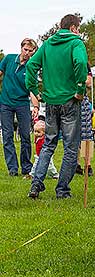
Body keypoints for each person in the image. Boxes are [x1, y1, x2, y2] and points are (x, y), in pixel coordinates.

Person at [26, 14, 88, 199]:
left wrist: (33, 89)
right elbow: (80, 62)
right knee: (70, 146)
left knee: (48, 144)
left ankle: (36, 184)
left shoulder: (47, 44)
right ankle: (62, 190)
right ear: (73, 28)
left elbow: (31, 65)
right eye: (78, 28)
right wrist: (80, 88)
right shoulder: (76, 43)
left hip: (50, 101)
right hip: (70, 100)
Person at [0, 38, 38, 177]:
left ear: (34, 52)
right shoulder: (9, 59)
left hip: (22, 103)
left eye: (30, 51)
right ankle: (12, 168)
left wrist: (35, 106)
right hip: (5, 103)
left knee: (25, 136)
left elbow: (32, 90)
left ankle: (26, 167)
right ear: (21, 48)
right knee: (7, 135)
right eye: (25, 49)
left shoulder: (31, 67)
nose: (27, 53)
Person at [76, 64, 94, 176]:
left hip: (82, 101)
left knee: (86, 134)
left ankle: (88, 164)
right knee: (71, 135)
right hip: (67, 100)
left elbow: (89, 82)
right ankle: (75, 164)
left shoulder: (84, 65)